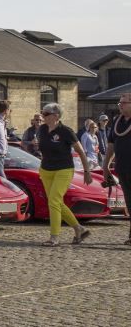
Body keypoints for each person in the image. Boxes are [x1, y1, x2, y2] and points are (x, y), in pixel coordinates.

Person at [38, 102, 94, 246]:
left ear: (56, 116)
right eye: (42, 113)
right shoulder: (42, 129)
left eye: (45, 114)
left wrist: (87, 171)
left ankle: (54, 237)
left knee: (54, 201)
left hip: (64, 169)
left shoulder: (66, 131)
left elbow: (81, 151)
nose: (42, 116)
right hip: (46, 170)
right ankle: (79, 229)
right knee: (56, 202)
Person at [101, 93, 131, 237]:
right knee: (129, 201)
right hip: (123, 168)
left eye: (124, 103)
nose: (120, 105)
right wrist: (105, 165)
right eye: (120, 103)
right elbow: (111, 145)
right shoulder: (117, 121)